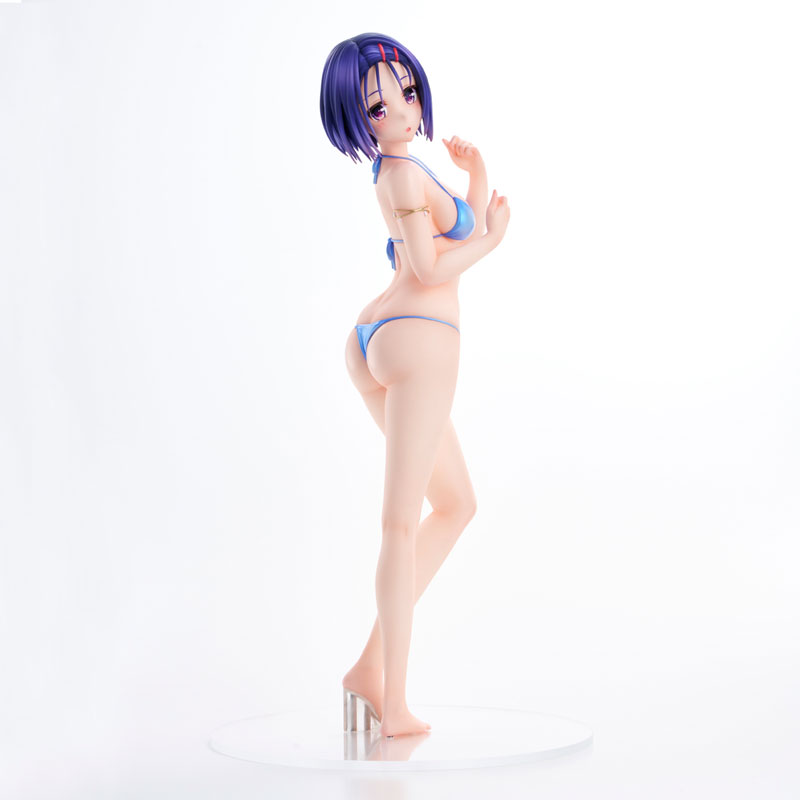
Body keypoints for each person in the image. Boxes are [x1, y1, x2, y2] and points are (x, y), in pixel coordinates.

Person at [320, 32, 510, 739]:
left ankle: (369, 671)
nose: (400, 110)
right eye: (378, 106)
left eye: (404, 91)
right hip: (418, 338)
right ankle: (393, 705)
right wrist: (493, 241)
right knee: (400, 522)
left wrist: (476, 171)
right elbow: (433, 268)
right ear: (356, 119)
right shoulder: (399, 177)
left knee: (455, 503)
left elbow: (455, 223)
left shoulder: (404, 169)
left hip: (381, 334)